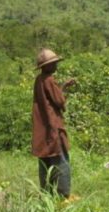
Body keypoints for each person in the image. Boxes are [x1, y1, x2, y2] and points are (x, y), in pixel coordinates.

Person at [32, 48, 76, 199]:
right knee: (61, 161)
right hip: (53, 127)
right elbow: (59, 101)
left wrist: (61, 86)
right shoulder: (50, 80)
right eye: (53, 63)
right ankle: (64, 196)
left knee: (45, 162)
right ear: (47, 66)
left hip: (42, 129)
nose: (56, 65)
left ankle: (46, 194)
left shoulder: (39, 80)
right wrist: (64, 87)